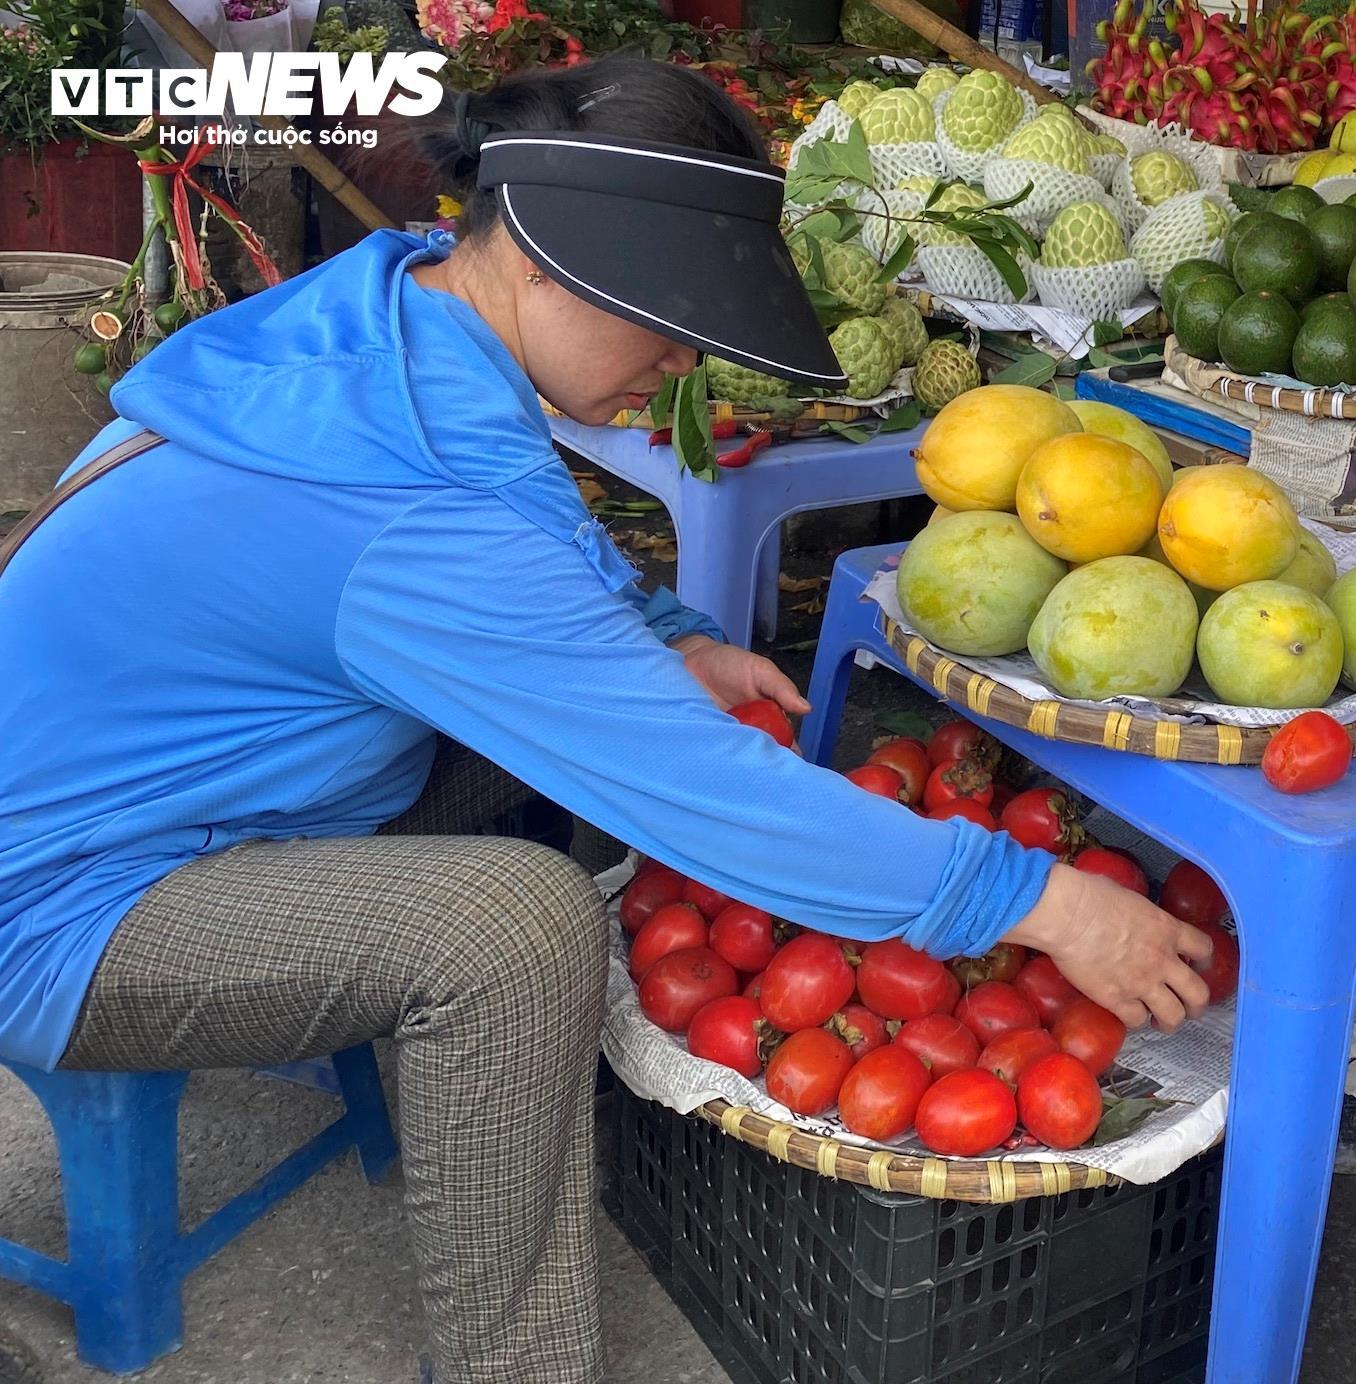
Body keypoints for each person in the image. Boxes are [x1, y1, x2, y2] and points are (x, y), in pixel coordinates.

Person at [0, 54, 1212, 1384]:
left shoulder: (404, 306)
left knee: (571, 748)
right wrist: (1044, 903)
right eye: (661, 316)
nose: (682, 360)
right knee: (516, 929)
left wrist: (668, 637)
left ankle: (464, 1095)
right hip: (73, 901)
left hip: (201, 783)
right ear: (530, 259)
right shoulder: (418, 510)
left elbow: (529, 525)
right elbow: (685, 770)